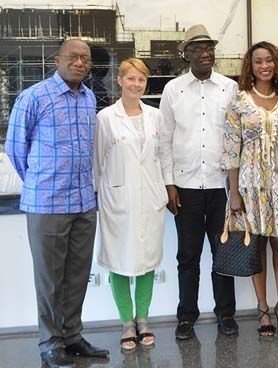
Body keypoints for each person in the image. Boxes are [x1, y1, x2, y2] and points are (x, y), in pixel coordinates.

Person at [5, 39, 109, 367]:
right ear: (57, 60)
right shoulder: (33, 97)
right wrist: (40, 182)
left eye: (85, 59)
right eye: (73, 57)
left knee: (78, 275)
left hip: (82, 202)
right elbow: (15, 149)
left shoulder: (89, 97)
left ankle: (72, 336)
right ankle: (50, 343)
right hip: (46, 204)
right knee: (50, 280)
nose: (80, 63)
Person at [222, 41, 278, 337]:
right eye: (258, 61)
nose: (264, 66)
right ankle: (262, 309)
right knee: (256, 246)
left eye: (269, 60)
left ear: (277, 64)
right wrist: (233, 194)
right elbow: (231, 152)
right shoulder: (239, 102)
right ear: (250, 66)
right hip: (250, 184)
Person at [159, 24, 239, 339]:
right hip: (186, 187)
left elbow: (236, 139)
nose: (206, 53)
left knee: (224, 255)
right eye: (198, 48)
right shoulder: (173, 89)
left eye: (209, 47)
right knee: (187, 256)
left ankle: (226, 315)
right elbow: (164, 140)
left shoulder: (229, 88)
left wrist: (236, 189)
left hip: (221, 187)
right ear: (186, 54)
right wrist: (169, 185)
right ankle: (186, 316)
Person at [94, 58, 167, 350]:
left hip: (150, 199)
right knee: (120, 261)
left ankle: (143, 319)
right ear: (119, 81)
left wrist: (164, 191)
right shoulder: (106, 118)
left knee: (148, 261)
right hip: (118, 201)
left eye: (141, 80)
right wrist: (105, 197)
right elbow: (98, 163)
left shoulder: (155, 116)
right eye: (131, 79)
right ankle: (126, 322)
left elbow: (161, 157)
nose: (136, 85)